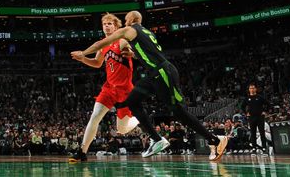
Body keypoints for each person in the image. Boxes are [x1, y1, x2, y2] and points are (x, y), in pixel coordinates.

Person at [71, 11, 228, 161]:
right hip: (152, 74)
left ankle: (214, 140)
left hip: (163, 72)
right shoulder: (145, 33)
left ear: (132, 21)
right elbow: (144, 50)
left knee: (179, 112)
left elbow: (103, 42)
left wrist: (83, 53)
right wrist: (133, 54)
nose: (124, 22)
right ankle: (157, 139)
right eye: (104, 24)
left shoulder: (130, 31)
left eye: (125, 20)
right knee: (132, 101)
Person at [68, 13, 139, 163]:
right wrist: (83, 59)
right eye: (104, 24)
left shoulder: (121, 41)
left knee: (122, 130)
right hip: (109, 88)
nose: (106, 26)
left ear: (116, 26)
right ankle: (82, 152)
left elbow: (133, 52)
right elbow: (97, 63)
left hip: (125, 90)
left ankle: (137, 119)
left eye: (109, 24)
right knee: (94, 117)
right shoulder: (103, 45)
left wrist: (133, 53)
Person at [242, 84, 268, 153]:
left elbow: (268, 104)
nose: (252, 89)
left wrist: (265, 111)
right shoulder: (247, 98)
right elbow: (242, 106)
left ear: (255, 89)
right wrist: (246, 113)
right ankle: (254, 148)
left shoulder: (260, 97)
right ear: (249, 89)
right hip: (251, 118)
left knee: (262, 132)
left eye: (253, 88)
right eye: (251, 88)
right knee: (253, 133)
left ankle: (264, 147)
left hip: (260, 117)